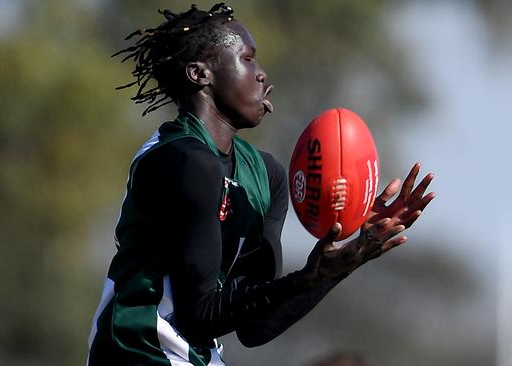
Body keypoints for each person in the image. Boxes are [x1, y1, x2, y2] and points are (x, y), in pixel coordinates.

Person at [87, 3, 435, 366]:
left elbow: (256, 328)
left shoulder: (265, 175)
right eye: (247, 59)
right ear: (199, 74)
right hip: (136, 354)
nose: (262, 74)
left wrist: (349, 257)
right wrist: (308, 276)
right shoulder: (184, 161)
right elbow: (200, 315)